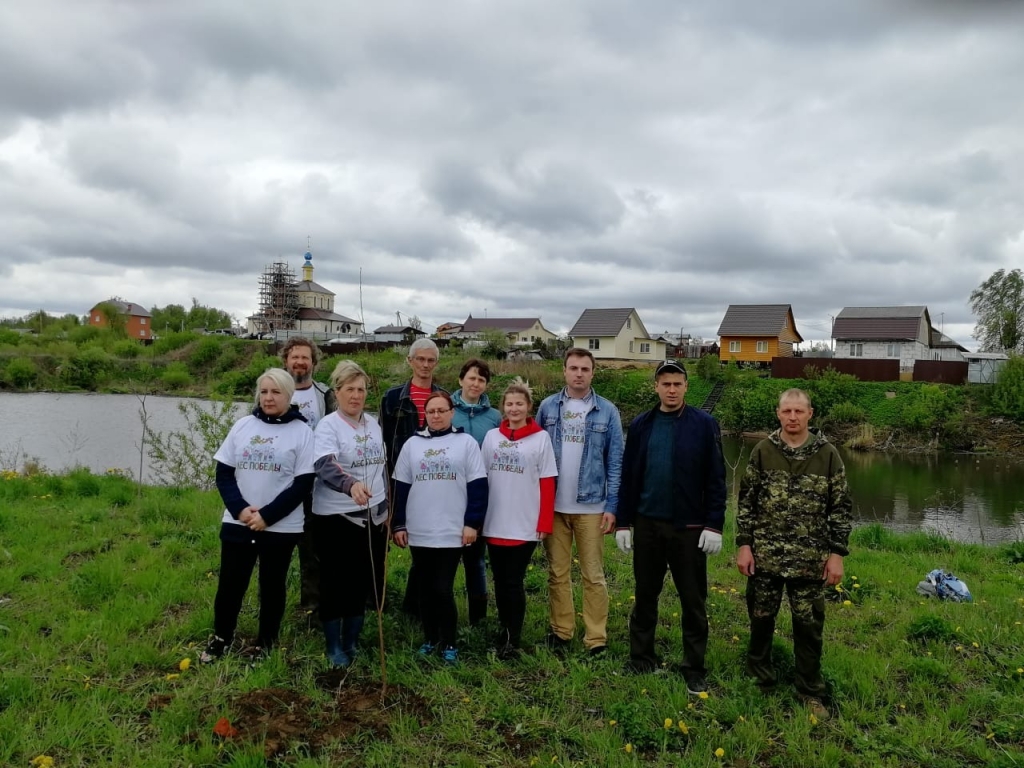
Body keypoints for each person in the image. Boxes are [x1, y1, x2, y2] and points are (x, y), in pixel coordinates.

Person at [736, 388, 852, 721]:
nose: (792, 417)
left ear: (810, 414)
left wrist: (836, 554)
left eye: (799, 412)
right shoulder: (763, 451)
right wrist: (744, 545)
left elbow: (841, 508)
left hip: (809, 560)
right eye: (787, 411)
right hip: (765, 558)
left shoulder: (827, 454)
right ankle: (760, 678)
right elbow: (747, 503)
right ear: (778, 413)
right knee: (760, 619)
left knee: (808, 627)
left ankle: (810, 690)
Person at [615, 360, 726, 694]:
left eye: (678, 384)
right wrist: (623, 521)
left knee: (693, 599)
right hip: (648, 524)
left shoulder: (704, 425)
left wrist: (714, 525)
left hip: (689, 527)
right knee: (646, 594)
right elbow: (629, 476)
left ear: (686, 386)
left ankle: (694, 668)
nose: (672, 390)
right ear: (656, 387)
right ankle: (641, 659)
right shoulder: (641, 425)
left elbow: (717, 479)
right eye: (666, 384)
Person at [201, 368, 315, 663]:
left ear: (288, 396)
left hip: (280, 527)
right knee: (230, 585)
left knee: (272, 586)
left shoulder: (302, 432)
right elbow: (224, 474)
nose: (268, 397)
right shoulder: (243, 426)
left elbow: (303, 483)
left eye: (275, 392)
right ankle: (221, 638)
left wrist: (267, 516)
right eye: (264, 391)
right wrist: (240, 509)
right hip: (238, 523)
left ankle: (265, 643)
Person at [535, 347, 623, 656]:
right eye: (573, 368)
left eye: (585, 369)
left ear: (593, 372)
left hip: (591, 506)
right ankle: (561, 632)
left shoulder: (607, 411)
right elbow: (536, 455)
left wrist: (612, 506)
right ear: (564, 371)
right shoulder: (547, 408)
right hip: (555, 508)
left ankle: (595, 638)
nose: (579, 374)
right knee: (557, 573)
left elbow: (615, 462)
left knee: (593, 575)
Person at [391, 392, 488, 665]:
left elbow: (478, 487)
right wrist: (398, 523)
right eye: (431, 411)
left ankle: (449, 643)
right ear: (425, 414)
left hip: (452, 530)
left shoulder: (466, 443)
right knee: (424, 587)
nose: (436, 415)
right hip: (419, 529)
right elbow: (400, 486)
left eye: (441, 410)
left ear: (451, 412)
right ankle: (429, 638)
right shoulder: (412, 445)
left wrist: (472, 523)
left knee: (442, 588)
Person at [310, 360, 389, 668]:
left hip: (372, 517)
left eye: (361, 389)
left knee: (361, 579)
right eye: (350, 389)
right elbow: (325, 464)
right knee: (334, 581)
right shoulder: (328, 425)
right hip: (336, 517)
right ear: (337, 392)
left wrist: (385, 507)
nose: (356, 396)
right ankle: (333, 645)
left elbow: (380, 467)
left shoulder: (372, 423)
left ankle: (352, 641)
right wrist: (350, 485)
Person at [481, 378, 557, 658]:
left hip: (524, 523)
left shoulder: (541, 439)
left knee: (513, 581)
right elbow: (482, 478)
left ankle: (514, 638)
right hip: (494, 521)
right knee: (499, 581)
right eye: (509, 404)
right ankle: (504, 629)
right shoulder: (492, 438)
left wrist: (544, 522)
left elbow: (548, 481)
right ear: (503, 407)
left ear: (529, 408)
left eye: (519, 404)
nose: (514, 408)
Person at [380, 338, 445, 618]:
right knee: (396, 539)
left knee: (428, 547)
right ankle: (379, 602)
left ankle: (417, 606)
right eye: (420, 359)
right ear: (410, 361)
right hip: (399, 481)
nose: (425, 365)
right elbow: (381, 443)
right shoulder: (393, 398)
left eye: (431, 360)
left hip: (434, 482)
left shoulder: (443, 397)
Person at [280, 337, 336, 619]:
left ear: (314, 362)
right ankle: (272, 603)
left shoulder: (324, 394)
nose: (300, 362)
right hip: (280, 484)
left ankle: (313, 606)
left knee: (313, 549)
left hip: (315, 485)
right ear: (286, 361)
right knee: (276, 547)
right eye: (294, 357)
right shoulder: (275, 391)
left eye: (305, 357)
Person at [451, 358, 502, 626]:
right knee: (440, 558)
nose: (475, 383)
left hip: (480, 496)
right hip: (448, 494)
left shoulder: (495, 417)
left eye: (481, 380)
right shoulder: (446, 410)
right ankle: (422, 609)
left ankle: (478, 618)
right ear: (461, 380)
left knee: (475, 559)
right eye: (471, 378)